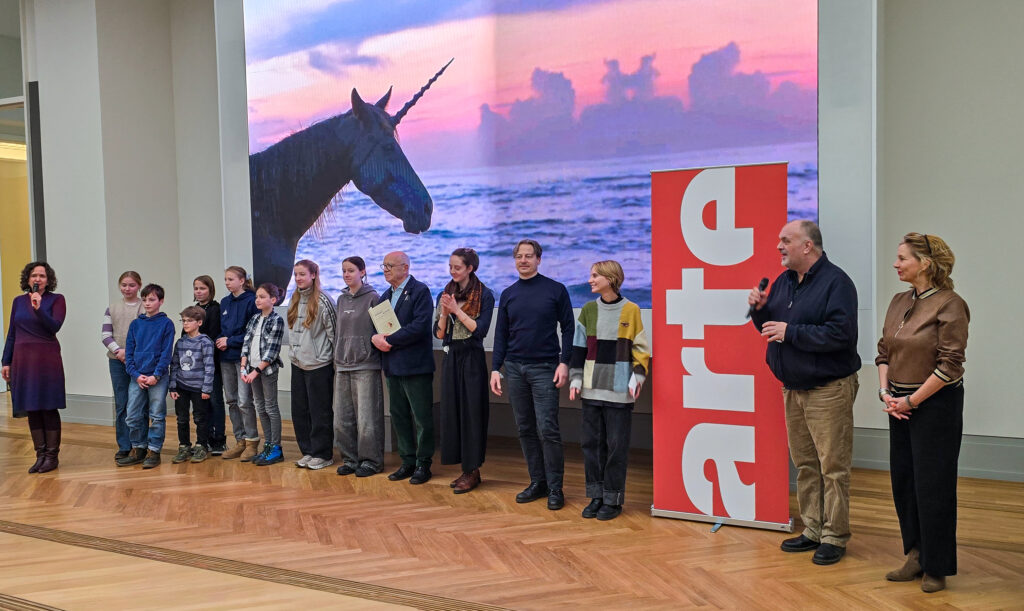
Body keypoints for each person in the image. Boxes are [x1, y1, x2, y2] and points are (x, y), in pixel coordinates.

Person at [748, 220, 860, 565]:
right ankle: (813, 528)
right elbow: (773, 329)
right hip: (793, 387)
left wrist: (791, 332)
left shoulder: (837, 283)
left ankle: (834, 536)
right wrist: (760, 311)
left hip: (828, 389)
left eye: (786, 240)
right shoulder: (784, 281)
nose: (779, 246)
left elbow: (841, 335)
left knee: (833, 466)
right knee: (806, 464)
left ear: (808, 245)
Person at [877, 233, 969, 594]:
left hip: (935, 406)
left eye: (902, 258)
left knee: (934, 486)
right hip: (898, 404)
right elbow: (883, 352)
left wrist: (912, 401)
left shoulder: (950, 304)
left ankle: (936, 566)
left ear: (925, 264)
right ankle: (915, 555)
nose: (896, 264)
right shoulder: (899, 301)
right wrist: (886, 393)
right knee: (904, 483)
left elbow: (951, 365)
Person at [490, 239, 574, 510]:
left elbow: (569, 329)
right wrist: (495, 368)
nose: (523, 260)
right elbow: (501, 334)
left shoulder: (555, 290)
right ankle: (538, 482)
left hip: (545, 368)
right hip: (514, 368)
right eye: (519, 256)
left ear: (539, 259)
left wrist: (564, 362)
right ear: (515, 260)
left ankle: (556, 488)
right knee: (525, 428)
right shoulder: (508, 294)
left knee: (548, 429)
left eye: (529, 256)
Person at [569, 260, 650, 520]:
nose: (590, 280)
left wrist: (637, 376)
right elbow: (578, 347)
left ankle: (613, 500)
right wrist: (576, 378)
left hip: (619, 393)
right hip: (591, 391)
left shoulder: (631, 310)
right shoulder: (588, 310)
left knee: (616, 447)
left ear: (611, 278)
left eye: (595, 275)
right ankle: (596, 496)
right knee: (591, 445)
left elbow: (641, 348)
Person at [433, 248, 494, 494]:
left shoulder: (485, 294)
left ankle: (472, 470)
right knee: (452, 412)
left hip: (472, 357)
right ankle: (464, 469)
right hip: (451, 356)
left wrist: (457, 311)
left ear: (470, 268)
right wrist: (444, 313)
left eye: (457, 267)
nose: (452, 271)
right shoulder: (445, 293)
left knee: (472, 413)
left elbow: (480, 330)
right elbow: (439, 334)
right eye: (450, 267)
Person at [373, 251, 435, 484]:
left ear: (405, 268)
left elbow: (420, 326)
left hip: (415, 366)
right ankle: (407, 461)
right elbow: (377, 327)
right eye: (384, 265)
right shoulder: (385, 296)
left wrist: (390, 340)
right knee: (399, 416)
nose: (385, 270)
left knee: (421, 418)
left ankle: (423, 464)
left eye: (389, 266)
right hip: (392, 365)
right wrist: (374, 338)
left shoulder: (420, 291)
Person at [2, 261, 67, 474]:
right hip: (22, 361)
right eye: (34, 275)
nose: (37, 279)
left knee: (48, 407)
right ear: (28, 279)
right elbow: (12, 333)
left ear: (48, 280)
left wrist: (39, 309)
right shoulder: (18, 301)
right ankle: (40, 455)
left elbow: (54, 326)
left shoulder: (57, 300)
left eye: (42, 275)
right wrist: (6, 361)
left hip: (46, 361)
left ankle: (52, 456)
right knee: (31, 407)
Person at [332, 256, 385, 477]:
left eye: (351, 270)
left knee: (367, 419)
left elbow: (386, 330)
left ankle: (371, 462)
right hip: (342, 365)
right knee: (341, 419)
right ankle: (350, 459)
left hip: (366, 365)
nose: (346, 274)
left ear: (362, 272)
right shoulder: (341, 299)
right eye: (344, 270)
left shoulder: (374, 298)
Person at [119, 283, 176, 469]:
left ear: (161, 301)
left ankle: (154, 450)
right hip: (137, 377)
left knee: (157, 415)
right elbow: (129, 353)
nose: (147, 303)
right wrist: (136, 375)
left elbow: (166, 353)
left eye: (152, 299)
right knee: (132, 414)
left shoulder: (166, 324)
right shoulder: (136, 324)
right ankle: (138, 448)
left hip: (157, 378)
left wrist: (156, 375)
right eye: (144, 300)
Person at [287, 259, 337, 470]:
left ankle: (322, 454)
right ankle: (307, 451)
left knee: (320, 411)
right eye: (296, 274)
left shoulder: (324, 300)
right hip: (298, 363)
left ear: (313, 275)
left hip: (319, 365)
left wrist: (334, 362)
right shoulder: (294, 298)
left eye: (302, 274)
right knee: (300, 410)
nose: (298, 278)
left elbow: (334, 334)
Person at [101, 270, 145, 461]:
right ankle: (124, 445)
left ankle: (140, 444)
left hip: (139, 361)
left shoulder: (144, 307)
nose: (127, 288)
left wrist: (130, 354)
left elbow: (145, 335)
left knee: (140, 403)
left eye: (132, 285)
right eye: (124, 285)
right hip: (116, 361)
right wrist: (119, 352)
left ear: (139, 286)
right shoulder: (112, 308)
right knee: (122, 403)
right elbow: (105, 335)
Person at [217, 266, 259, 461]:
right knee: (232, 401)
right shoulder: (225, 302)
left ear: (242, 281)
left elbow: (252, 332)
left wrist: (230, 341)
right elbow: (221, 329)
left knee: (244, 401)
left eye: (231, 279)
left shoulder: (251, 301)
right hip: (226, 358)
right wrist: (220, 340)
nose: (227, 283)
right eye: (226, 279)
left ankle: (251, 442)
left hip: (243, 358)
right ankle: (239, 440)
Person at [241, 283, 286, 466]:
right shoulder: (254, 319)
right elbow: (246, 343)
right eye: (257, 297)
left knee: (270, 407)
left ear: (273, 300)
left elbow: (272, 352)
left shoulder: (277, 320)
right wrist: (244, 367)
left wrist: (256, 371)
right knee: (260, 407)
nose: (257, 300)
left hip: (266, 371)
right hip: (251, 369)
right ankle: (267, 444)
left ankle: (276, 447)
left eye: (262, 297)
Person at [169, 305, 216, 464]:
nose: (185, 324)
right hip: (181, 386)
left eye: (189, 321)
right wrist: (173, 386)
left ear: (199, 322)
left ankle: (201, 445)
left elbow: (209, 367)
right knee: (182, 418)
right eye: (183, 321)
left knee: (200, 418)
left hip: (199, 388)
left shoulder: (205, 342)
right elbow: (174, 365)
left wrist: (206, 388)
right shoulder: (180, 342)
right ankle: (184, 446)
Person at [192, 275, 226, 454]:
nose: (199, 292)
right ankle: (204, 439)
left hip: (212, 364)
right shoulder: (192, 310)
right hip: (195, 366)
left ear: (210, 290)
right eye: (196, 288)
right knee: (201, 404)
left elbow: (213, 335)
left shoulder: (216, 309)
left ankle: (219, 439)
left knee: (215, 401)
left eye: (202, 288)